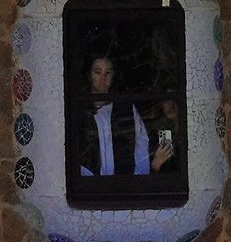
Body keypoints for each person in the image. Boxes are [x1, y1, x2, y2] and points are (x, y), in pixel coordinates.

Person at [72, 51, 176, 185]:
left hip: (123, 186)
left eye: (108, 73)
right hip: (91, 190)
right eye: (97, 72)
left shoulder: (125, 108)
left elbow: (141, 144)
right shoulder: (80, 111)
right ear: (89, 75)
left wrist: (143, 175)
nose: (103, 78)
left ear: (113, 75)